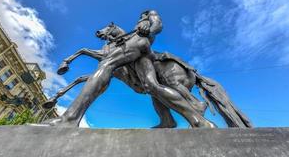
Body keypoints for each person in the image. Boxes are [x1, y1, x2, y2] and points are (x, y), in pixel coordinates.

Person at [48, 10, 215, 128]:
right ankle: (193, 120)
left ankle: (69, 119)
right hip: (140, 56)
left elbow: (158, 25)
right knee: (151, 86)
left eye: (142, 16)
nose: (140, 17)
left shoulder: (149, 15)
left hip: (138, 43)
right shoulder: (134, 28)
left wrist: (149, 28)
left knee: (107, 64)